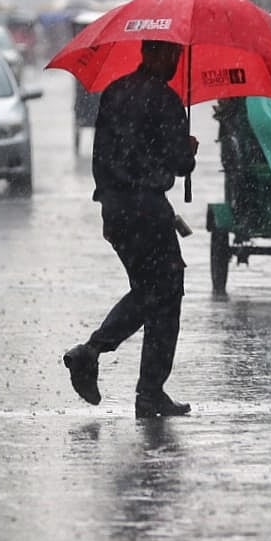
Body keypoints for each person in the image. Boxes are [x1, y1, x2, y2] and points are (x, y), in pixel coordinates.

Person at [62, 39, 199, 418]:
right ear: (153, 53)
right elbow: (180, 162)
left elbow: (102, 152)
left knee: (152, 291)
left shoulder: (115, 91)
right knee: (166, 291)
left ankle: (136, 382)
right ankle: (109, 363)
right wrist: (189, 149)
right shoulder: (166, 100)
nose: (175, 62)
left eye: (177, 56)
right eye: (171, 55)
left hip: (115, 209)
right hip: (148, 210)